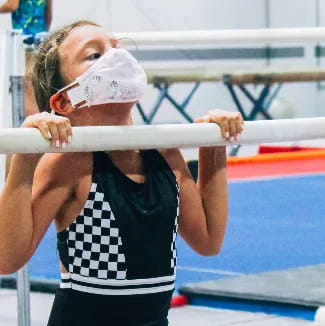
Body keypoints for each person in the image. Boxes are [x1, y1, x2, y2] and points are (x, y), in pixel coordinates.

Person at [0, 20, 243, 325]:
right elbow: (7, 259)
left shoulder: (164, 152)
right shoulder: (72, 162)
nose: (118, 57)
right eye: (95, 55)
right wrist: (26, 158)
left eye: (117, 47)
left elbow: (208, 241)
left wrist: (215, 144)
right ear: (65, 100)